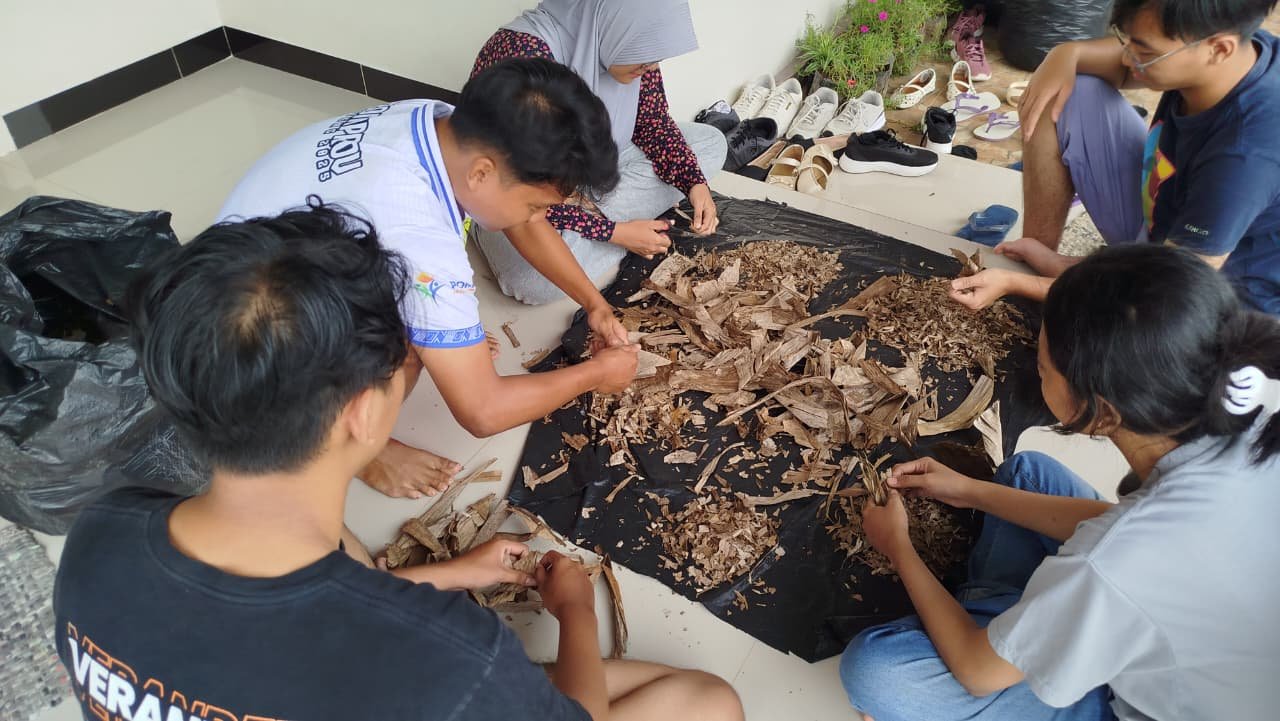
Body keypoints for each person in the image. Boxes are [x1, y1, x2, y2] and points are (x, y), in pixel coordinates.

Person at [53, 203, 744, 721]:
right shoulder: (456, 655)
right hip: (422, 686)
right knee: (709, 703)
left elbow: (272, 628)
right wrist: (574, 613)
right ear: (362, 412)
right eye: (406, 363)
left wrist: (450, 575)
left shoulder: (102, 532)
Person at [839, 245, 1280, 721]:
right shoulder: (1245, 417)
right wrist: (967, 490)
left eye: (1043, 368)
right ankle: (1025, 623)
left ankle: (1014, 627)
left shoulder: (1118, 560)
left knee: (877, 673)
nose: (1036, 370)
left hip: (1140, 701)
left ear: (1101, 412)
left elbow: (977, 672)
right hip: (1195, 633)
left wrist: (898, 546)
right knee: (1026, 473)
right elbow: (1123, 526)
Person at [219, 58, 640, 500]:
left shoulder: (437, 123)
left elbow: (523, 221)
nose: (539, 216)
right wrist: (597, 373)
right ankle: (354, 447)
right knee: (414, 346)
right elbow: (483, 410)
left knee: (435, 322)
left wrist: (595, 304)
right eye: (537, 205)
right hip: (250, 366)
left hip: (242, 275)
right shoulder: (419, 237)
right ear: (481, 173)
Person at [951, 0, 1280, 315]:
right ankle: (1055, 267)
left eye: (1144, 51)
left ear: (1219, 49)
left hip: (1215, 303)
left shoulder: (1246, 153)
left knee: (1112, 332)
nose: (1127, 58)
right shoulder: (1237, 49)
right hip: (1161, 229)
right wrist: (1065, 53)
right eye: (1128, 41)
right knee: (1060, 93)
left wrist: (1021, 285)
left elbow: (1170, 294)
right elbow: (1121, 67)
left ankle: (1066, 283)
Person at [470, 0, 729, 304]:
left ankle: (599, 229)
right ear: (615, 20)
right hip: (514, 197)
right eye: (646, 56)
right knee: (535, 283)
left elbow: (652, 122)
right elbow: (512, 186)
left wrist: (694, 183)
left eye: (656, 58)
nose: (652, 68)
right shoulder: (521, 54)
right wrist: (613, 233)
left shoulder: (624, 49)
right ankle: (617, 230)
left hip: (592, 169)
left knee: (711, 143)